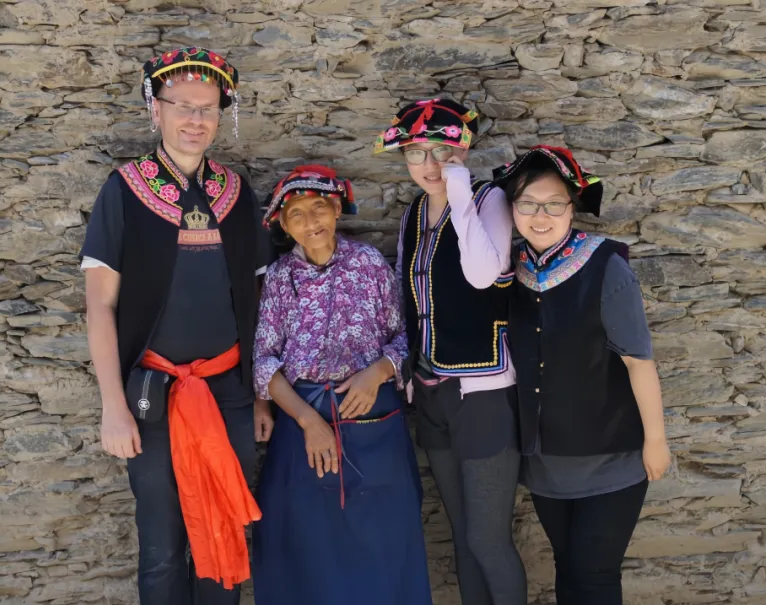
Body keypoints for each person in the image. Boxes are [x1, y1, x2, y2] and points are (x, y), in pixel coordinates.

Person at [79, 47, 275, 605]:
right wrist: (113, 407)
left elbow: (257, 307)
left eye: (208, 109)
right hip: (152, 397)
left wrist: (260, 398)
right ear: (156, 110)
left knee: (225, 534)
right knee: (163, 547)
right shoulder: (124, 191)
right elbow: (100, 307)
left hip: (229, 394)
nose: (196, 120)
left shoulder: (236, 194)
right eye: (183, 106)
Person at [491, 145, 672, 605]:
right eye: (528, 203)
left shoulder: (605, 266)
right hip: (545, 463)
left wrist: (655, 440)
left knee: (593, 576)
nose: (540, 216)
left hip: (611, 458)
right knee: (568, 571)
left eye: (554, 204)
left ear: (572, 207)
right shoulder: (507, 268)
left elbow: (638, 360)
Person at [250, 165, 432, 605]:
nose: (310, 222)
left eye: (318, 208)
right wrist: (308, 421)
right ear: (283, 226)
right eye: (296, 215)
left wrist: (378, 373)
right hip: (302, 420)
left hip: (374, 420)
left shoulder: (368, 264)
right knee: (304, 538)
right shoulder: (280, 278)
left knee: (383, 536)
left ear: (336, 210)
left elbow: (403, 336)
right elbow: (264, 361)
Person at [373, 99, 527, 605]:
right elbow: (408, 298)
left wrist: (460, 190)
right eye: (416, 153)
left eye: (441, 151)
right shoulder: (414, 213)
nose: (430, 165)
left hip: (483, 391)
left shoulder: (489, 200)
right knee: (461, 534)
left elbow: (483, 274)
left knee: (488, 539)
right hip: (432, 391)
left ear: (463, 149)